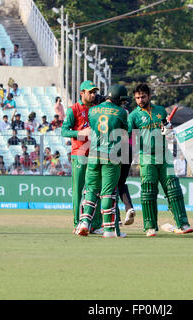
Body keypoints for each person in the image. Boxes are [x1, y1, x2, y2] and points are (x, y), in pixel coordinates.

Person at [128, 83, 193, 237]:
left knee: (173, 188)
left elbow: (169, 133)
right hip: (147, 157)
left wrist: (168, 129)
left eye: (143, 96)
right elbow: (128, 136)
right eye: (137, 98)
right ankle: (150, 227)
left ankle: (183, 223)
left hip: (165, 156)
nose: (140, 100)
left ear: (149, 96)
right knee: (149, 190)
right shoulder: (134, 116)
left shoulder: (160, 110)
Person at [75, 84, 129, 238]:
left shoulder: (92, 110)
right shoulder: (121, 112)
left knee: (90, 190)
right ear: (117, 98)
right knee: (107, 194)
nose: (123, 103)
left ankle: (84, 222)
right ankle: (109, 230)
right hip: (111, 156)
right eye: (122, 100)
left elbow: (93, 129)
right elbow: (124, 134)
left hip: (93, 154)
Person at [62, 80, 103, 234]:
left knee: (95, 189)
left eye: (94, 92)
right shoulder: (73, 109)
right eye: (90, 92)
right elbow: (64, 131)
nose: (93, 95)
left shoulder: (97, 109)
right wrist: (80, 133)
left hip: (95, 153)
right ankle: (78, 222)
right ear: (82, 93)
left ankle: (96, 224)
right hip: (79, 154)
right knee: (79, 190)